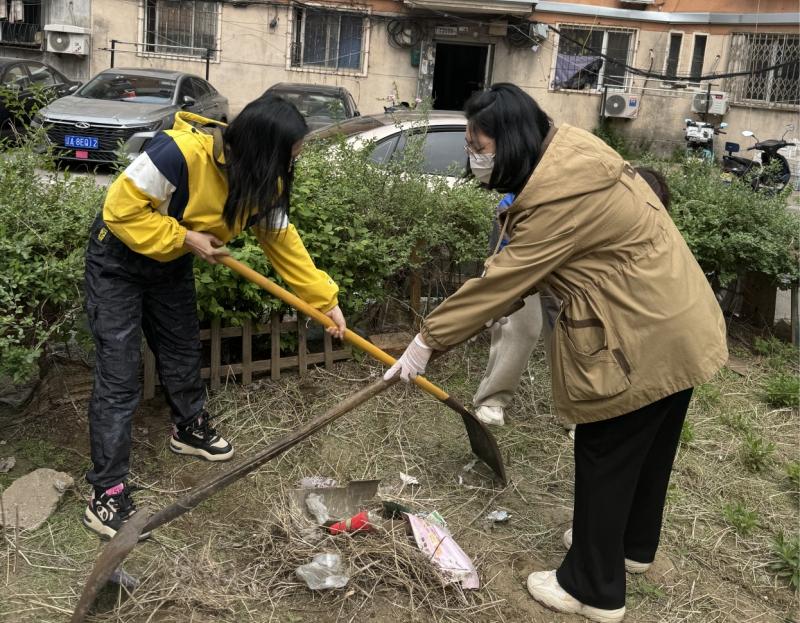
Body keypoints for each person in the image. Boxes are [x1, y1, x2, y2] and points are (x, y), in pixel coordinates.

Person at [385, 84, 727, 622]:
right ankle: (632, 547)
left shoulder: (557, 197)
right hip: (681, 321)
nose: (475, 155)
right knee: (648, 448)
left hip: (638, 335)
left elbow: (502, 282)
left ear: (512, 139)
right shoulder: (578, 155)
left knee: (606, 449)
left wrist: (427, 340)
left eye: (480, 144)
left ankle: (591, 588)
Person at [83, 96, 346, 539]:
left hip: (171, 262)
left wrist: (323, 300)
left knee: (182, 346)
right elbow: (121, 211)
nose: (295, 160)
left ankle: (189, 429)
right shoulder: (178, 154)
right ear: (264, 148)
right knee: (120, 372)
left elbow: (283, 243)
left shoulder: (263, 181)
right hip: (118, 260)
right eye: (291, 152)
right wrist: (185, 236)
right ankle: (106, 491)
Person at [474, 167, 672, 428]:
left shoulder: (629, 220)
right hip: (522, 255)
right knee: (523, 328)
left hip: (565, 268)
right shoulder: (584, 195)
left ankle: (576, 411)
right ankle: (492, 398)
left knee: (570, 335)